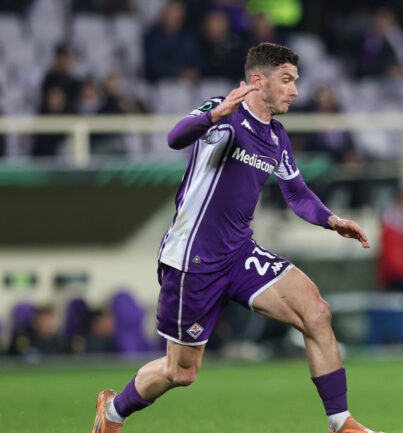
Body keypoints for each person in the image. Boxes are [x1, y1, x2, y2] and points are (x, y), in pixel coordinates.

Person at [91, 43, 381, 433]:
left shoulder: (276, 136)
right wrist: (214, 115)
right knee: (181, 371)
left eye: (296, 81)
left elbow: (296, 193)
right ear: (258, 81)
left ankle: (340, 422)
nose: (295, 90)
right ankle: (113, 412)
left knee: (316, 312)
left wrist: (331, 220)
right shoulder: (223, 114)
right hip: (193, 258)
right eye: (287, 80)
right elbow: (175, 138)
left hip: (240, 253)